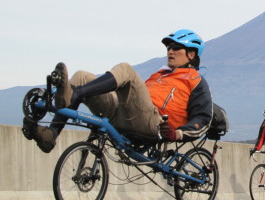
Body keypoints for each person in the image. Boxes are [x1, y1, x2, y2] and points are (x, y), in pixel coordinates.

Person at [22, 29, 213, 153]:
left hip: (154, 124)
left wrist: (177, 134)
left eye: (176, 48)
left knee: (126, 69)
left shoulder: (196, 81)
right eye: (169, 47)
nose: (170, 51)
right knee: (81, 75)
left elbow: (203, 120)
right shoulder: (159, 75)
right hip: (126, 115)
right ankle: (50, 135)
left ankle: (76, 94)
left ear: (191, 54)